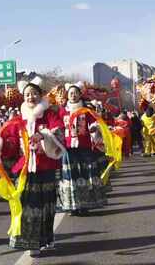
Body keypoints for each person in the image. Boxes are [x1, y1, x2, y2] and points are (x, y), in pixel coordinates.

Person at [5, 76, 65, 257]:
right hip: (25, 169)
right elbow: (10, 142)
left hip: (45, 167)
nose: (30, 97)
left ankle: (47, 238)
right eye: (27, 94)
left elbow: (59, 131)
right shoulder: (17, 119)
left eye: (34, 94)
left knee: (47, 206)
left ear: (40, 95)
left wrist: (43, 135)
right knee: (28, 206)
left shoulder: (49, 115)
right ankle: (32, 242)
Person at [57, 82, 107, 216]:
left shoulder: (86, 110)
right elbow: (58, 127)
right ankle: (72, 206)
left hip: (84, 147)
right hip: (68, 149)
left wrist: (94, 128)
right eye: (71, 93)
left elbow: (95, 123)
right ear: (67, 95)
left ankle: (85, 205)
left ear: (80, 95)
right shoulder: (62, 111)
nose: (73, 95)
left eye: (76, 93)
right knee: (71, 177)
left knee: (85, 175)